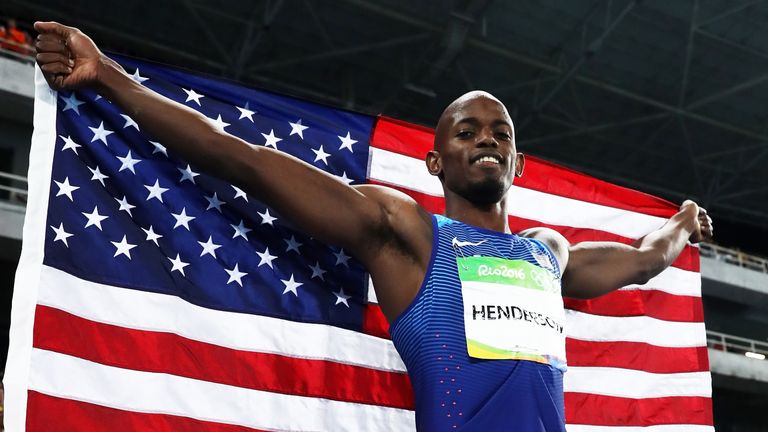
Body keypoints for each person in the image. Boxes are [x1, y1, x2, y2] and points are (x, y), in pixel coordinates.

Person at [32, 21, 713, 431]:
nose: (486, 139)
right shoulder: (406, 234)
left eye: (500, 132)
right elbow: (242, 159)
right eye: (466, 130)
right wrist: (110, 78)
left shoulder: (547, 254)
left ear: (518, 160)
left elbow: (643, 258)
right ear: (435, 159)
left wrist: (680, 224)